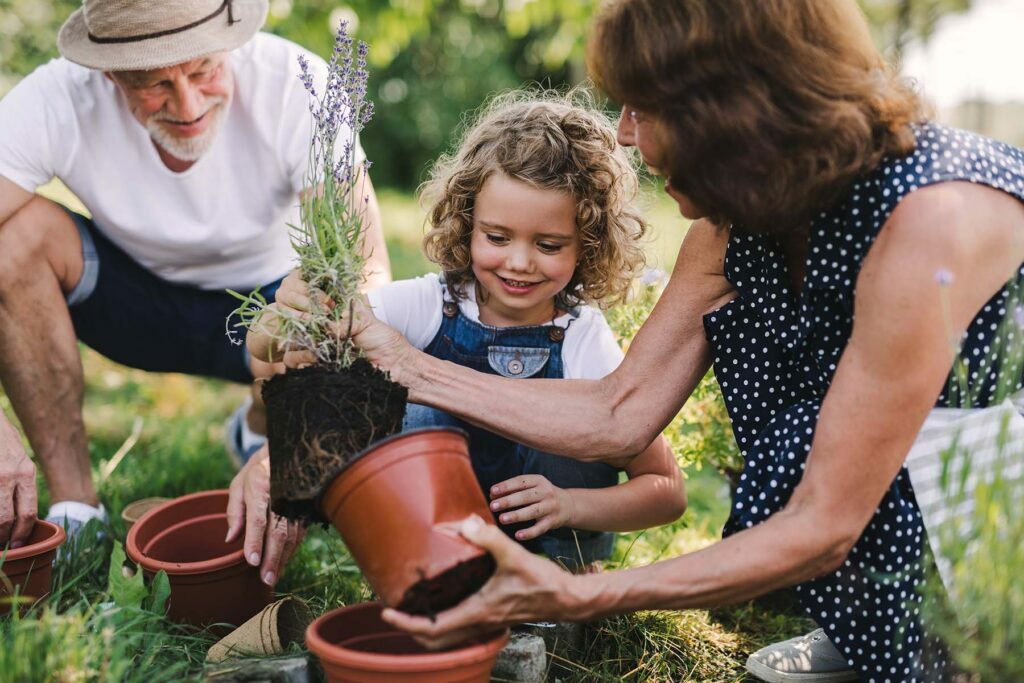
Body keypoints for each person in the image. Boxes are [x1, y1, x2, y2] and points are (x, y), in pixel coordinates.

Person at [264, 1, 1024, 681]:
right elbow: (619, 413)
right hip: (907, 470)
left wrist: (579, 591)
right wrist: (390, 364)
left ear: (736, 112)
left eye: (644, 107)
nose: (624, 134)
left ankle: (954, 636)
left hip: (995, 489)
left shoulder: (929, 224)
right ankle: (882, 634)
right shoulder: (732, 226)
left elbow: (823, 523)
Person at [0, 0, 390, 589]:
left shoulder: (295, 83)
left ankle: (260, 426)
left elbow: (367, 274)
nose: (188, 105)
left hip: (267, 309)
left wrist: (294, 442)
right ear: (109, 73)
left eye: (204, 68)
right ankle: (76, 509)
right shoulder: (57, 97)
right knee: (15, 238)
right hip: (131, 301)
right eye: (154, 83)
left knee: (327, 300)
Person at [246, 93, 687, 571]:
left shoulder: (583, 338)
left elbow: (666, 492)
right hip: (437, 552)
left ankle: (568, 577)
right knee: (409, 410)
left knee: (579, 426)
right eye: (497, 238)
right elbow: (268, 344)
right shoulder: (429, 305)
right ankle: (422, 570)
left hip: (547, 559)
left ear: (589, 244)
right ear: (467, 224)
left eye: (549, 244)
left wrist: (571, 505)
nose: (519, 262)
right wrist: (289, 311)